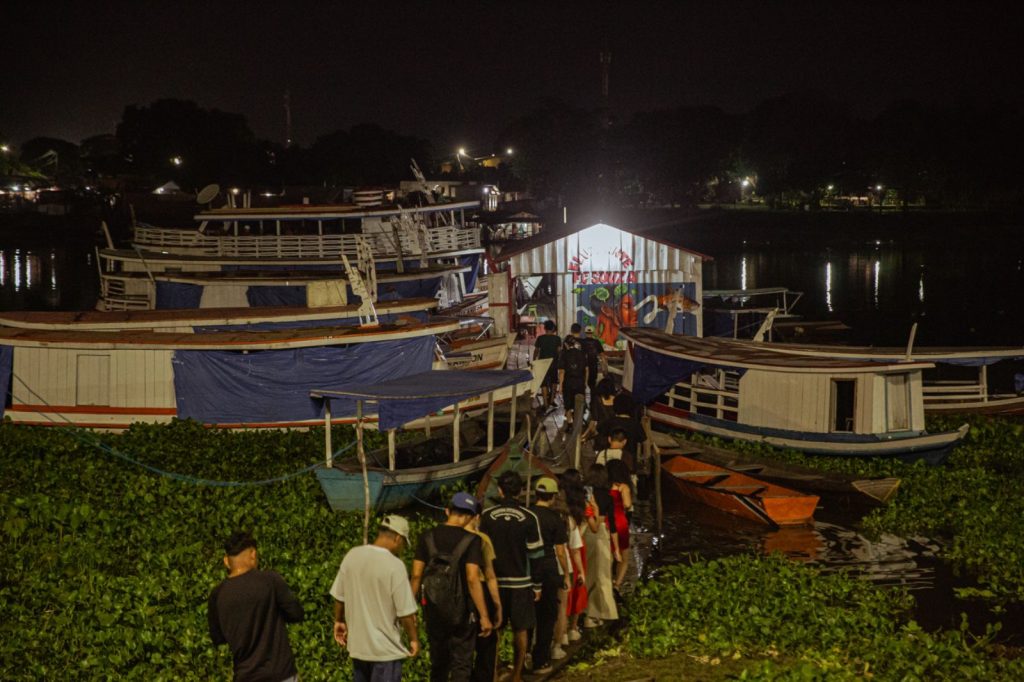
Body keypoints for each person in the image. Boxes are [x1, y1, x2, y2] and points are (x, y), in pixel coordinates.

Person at [411, 492, 492, 682]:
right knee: (461, 663)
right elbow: (472, 578)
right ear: (471, 517)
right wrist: (485, 616)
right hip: (462, 611)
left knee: (438, 662)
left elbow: (416, 575)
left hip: (433, 608)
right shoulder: (472, 540)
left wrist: (410, 608)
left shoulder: (426, 537)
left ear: (448, 511)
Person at [330, 515, 420, 682]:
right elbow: (405, 612)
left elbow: (339, 597)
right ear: (398, 538)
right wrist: (414, 639)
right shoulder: (395, 565)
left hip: (359, 649)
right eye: (403, 545)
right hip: (385, 652)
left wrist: (338, 620)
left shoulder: (352, 555)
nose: (402, 549)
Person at [208, 531, 304, 682]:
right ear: (253, 554)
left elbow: (218, 638)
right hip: (281, 674)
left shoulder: (217, 594)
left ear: (226, 561)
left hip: (245, 676)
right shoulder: (270, 580)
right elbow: (296, 613)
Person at [480, 471, 543, 682]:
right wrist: (537, 585)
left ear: (500, 490)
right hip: (521, 583)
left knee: (494, 629)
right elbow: (536, 555)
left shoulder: (487, 516)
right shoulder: (529, 517)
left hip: (493, 583)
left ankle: (494, 673)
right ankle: (516, 675)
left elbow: (481, 550)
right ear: (521, 491)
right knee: (521, 628)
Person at [527, 477, 570, 675]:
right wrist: (566, 574)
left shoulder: (526, 515)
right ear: (553, 497)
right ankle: (540, 660)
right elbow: (560, 551)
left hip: (527, 568)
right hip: (548, 568)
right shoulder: (555, 519)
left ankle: (524, 653)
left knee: (527, 614)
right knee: (547, 616)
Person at [466, 512, 503, 682]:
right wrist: (497, 605)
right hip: (480, 591)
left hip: (456, 595)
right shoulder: (481, 539)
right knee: (486, 646)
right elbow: (490, 575)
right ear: (477, 517)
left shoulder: (446, 537)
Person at [581, 465, 619, 627]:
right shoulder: (607, 497)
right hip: (600, 532)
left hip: (584, 532)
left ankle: (586, 613)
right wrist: (616, 549)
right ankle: (597, 613)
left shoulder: (584, 495)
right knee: (602, 576)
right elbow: (613, 525)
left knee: (587, 573)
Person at [557, 470, 590, 651]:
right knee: (578, 584)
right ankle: (572, 627)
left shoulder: (560, 503)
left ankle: (560, 634)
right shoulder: (581, 503)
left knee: (564, 592)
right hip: (577, 546)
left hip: (561, 547)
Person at [597, 392, 646, 472]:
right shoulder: (635, 424)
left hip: (610, 461)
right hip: (629, 464)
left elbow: (599, 433)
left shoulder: (609, 422)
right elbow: (644, 441)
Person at [606, 459, 634, 590]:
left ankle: (606, 579)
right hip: (620, 521)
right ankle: (617, 584)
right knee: (624, 556)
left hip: (606, 521)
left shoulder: (604, 486)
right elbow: (628, 505)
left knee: (609, 553)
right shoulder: (623, 487)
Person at [556, 335, 589, 432]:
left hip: (568, 382)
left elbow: (562, 371)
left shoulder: (564, 354)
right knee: (579, 403)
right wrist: (585, 382)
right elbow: (587, 369)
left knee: (568, 404)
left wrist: (560, 385)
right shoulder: (581, 353)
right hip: (580, 381)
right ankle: (578, 423)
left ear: (566, 344)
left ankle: (570, 424)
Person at [532, 320, 562, 411]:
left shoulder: (540, 338)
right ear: (553, 328)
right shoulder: (557, 339)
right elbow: (559, 351)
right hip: (553, 363)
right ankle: (552, 400)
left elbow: (536, 351)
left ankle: (545, 403)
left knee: (544, 383)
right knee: (554, 382)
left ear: (545, 328)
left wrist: (534, 361)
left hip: (542, 364)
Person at [581, 378, 617, 445]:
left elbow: (594, 420)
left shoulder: (598, 399)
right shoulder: (616, 399)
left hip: (601, 431)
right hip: (614, 431)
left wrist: (585, 435)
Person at [578, 324, 605, 393]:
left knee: (583, 384)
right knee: (592, 385)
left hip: (583, 367)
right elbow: (602, 355)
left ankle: (584, 400)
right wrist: (604, 366)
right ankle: (592, 400)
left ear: (585, 332)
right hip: (593, 367)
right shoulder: (596, 342)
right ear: (592, 332)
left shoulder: (581, 342)